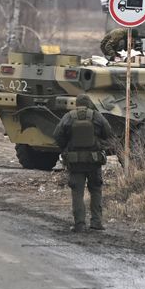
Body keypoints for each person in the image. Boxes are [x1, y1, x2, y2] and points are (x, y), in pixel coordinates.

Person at [53, 94, 113, 233]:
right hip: (94, 161)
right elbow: (108, 132)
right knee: (96, 190)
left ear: (76, 104)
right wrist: (99, 143)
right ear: (89, 104)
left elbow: (57, 135)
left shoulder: (69, 117)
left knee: (77, 193)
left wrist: (66, 147)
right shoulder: (97, 116)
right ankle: (96, 222)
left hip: (75, 162)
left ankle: (79, 224)